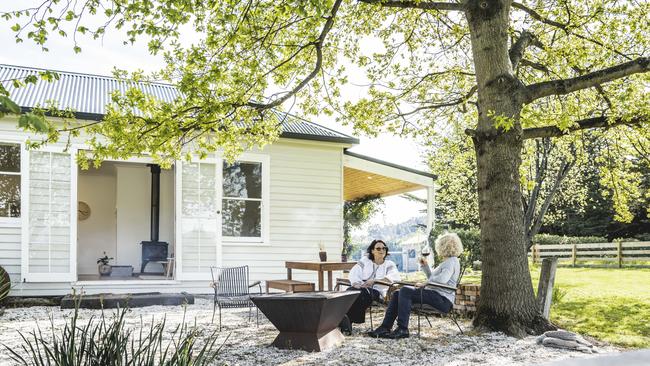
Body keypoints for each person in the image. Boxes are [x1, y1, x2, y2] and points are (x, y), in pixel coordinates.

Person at [368, 232, 463, 339]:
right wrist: (426, 266)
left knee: (405, 291)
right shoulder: (448, 261)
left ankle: (402, 329)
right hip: (436, 296)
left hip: (443, 300)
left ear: (443, 246)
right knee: (397, 293)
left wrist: (425, 283)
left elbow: (442, 279)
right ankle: (385, 327)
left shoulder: (451, 261)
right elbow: (434, 278)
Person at [339, 239, 400, 334]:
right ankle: (343, 320)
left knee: (361, 294)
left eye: (384, 248)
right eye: (378, 248)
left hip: (377, 291)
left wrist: (375, 281)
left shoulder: (389, 264)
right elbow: (354, 273)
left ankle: (347, 321)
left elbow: (394, 278)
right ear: (372, 251)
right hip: (361, 287)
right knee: (349, 291)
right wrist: (356, 283)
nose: (381, 250)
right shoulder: (365, 261)